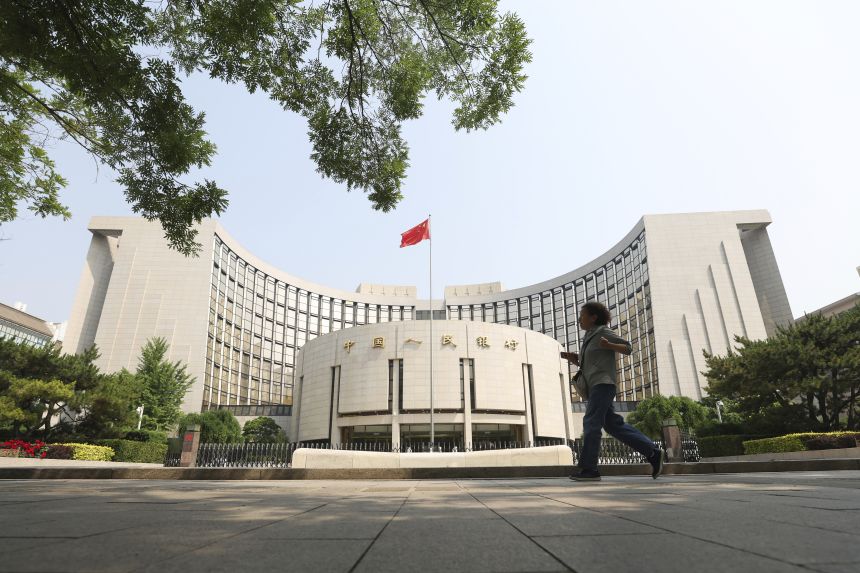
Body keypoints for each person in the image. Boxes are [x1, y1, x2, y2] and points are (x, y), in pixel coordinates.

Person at [562, 301, 665, 482]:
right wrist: (575, 360)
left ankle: (590, 469)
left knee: (591, 422)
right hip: (595, 386)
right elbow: (591, 365)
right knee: (612, 425)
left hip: (603, 384)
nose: (579, 319)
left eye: (582, 315)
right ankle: (653, 452)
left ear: (593, 317)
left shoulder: (603, 331)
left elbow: (628, 348)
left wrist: (610, 345)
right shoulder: (589, 337)